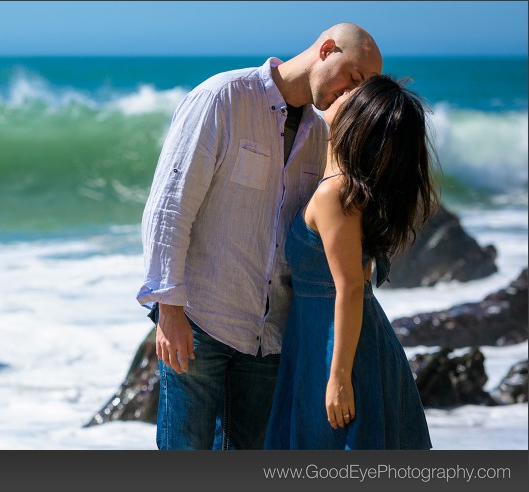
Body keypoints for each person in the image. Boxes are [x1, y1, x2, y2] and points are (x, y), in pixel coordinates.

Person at [137, 23, 382, 450]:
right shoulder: (223, 98)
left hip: (269, 338)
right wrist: (168, 308)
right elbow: (170, 205)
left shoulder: (322, 136)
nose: (353, 94)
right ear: (326, 50)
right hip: (199, 322)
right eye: (354, 78)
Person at [264, 74, 436, 450]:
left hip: (334, 344)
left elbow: (351, 287)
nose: (340, 93)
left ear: (357, 120)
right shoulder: (348, 187)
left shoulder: (336, 193)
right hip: (334, 336)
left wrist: (338, 376)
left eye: (349, 95)